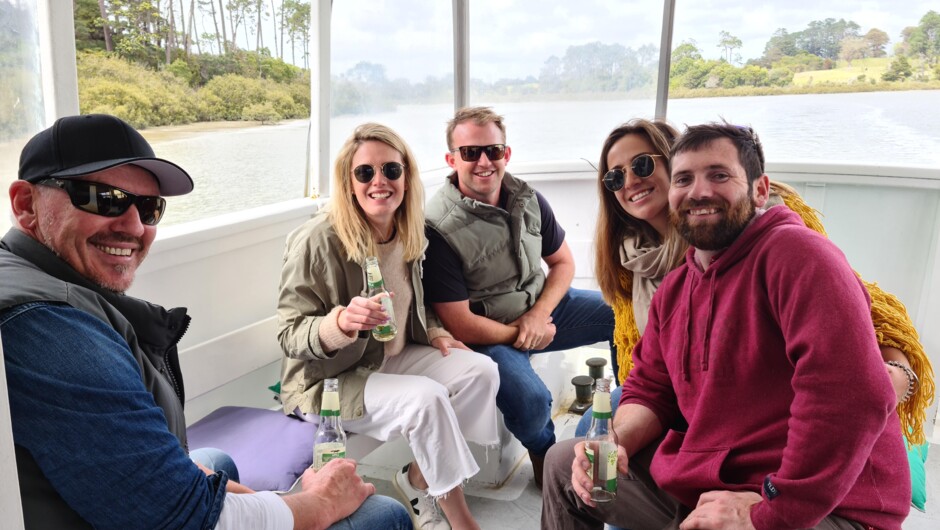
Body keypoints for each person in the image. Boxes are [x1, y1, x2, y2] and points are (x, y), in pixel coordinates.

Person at [0, 113, 411, 530]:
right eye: (103, 198)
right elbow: (183, 516)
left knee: (214, 462)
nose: (133, 226)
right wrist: (317, 505)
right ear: (25, 205)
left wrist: (272, 502)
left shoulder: (27, 277)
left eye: (149, 207)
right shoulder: (49, 331)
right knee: (383, 515)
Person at [542, 122, 912, 529]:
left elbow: (852, 396)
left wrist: (767, 511)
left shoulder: (797, 256)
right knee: (564, 464)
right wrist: (614, 442)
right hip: (715, 477)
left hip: (823, 503)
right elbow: (652, 388)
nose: (699, 191)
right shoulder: (676, 287)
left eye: (718, 175)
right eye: (685, 179)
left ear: (758, 189)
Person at [574, 119, 933, 447]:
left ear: (675, 161)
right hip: (682, 390)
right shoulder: (629, 261)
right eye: (615, 178)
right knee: (593, 434)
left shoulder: (760, 230)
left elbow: (855, 309)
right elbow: (647, 369)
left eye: (641, 165)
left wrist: (898, 373)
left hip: (759, 397)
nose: (630, 182)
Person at [278, 122, 500, 530]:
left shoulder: (407, 230)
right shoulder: (317, 241)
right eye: (365, 172)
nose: (379, 182)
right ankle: (461, 519)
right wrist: (340, 322)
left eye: (391, 170)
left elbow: (411, 302)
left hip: (385, 358)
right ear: (349, 181)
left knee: (481, 371)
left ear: (406, 176)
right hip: (329, 380)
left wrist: (434, 331)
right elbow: (289, 334)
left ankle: (418, 479)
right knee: (428, 399)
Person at [422, 106, 615, 487]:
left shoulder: (527, 198)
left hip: (541, 308)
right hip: (488, 331)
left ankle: (623, 418)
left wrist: (539, 315)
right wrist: (521, 334)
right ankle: (545, 454)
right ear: (451, 159)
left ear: (506, 154)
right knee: (530, 401)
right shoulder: (437, 228)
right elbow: (459, 322)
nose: (483, 161)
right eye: (470, 152)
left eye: (493, 151)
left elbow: (562, 263)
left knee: (622, 314)